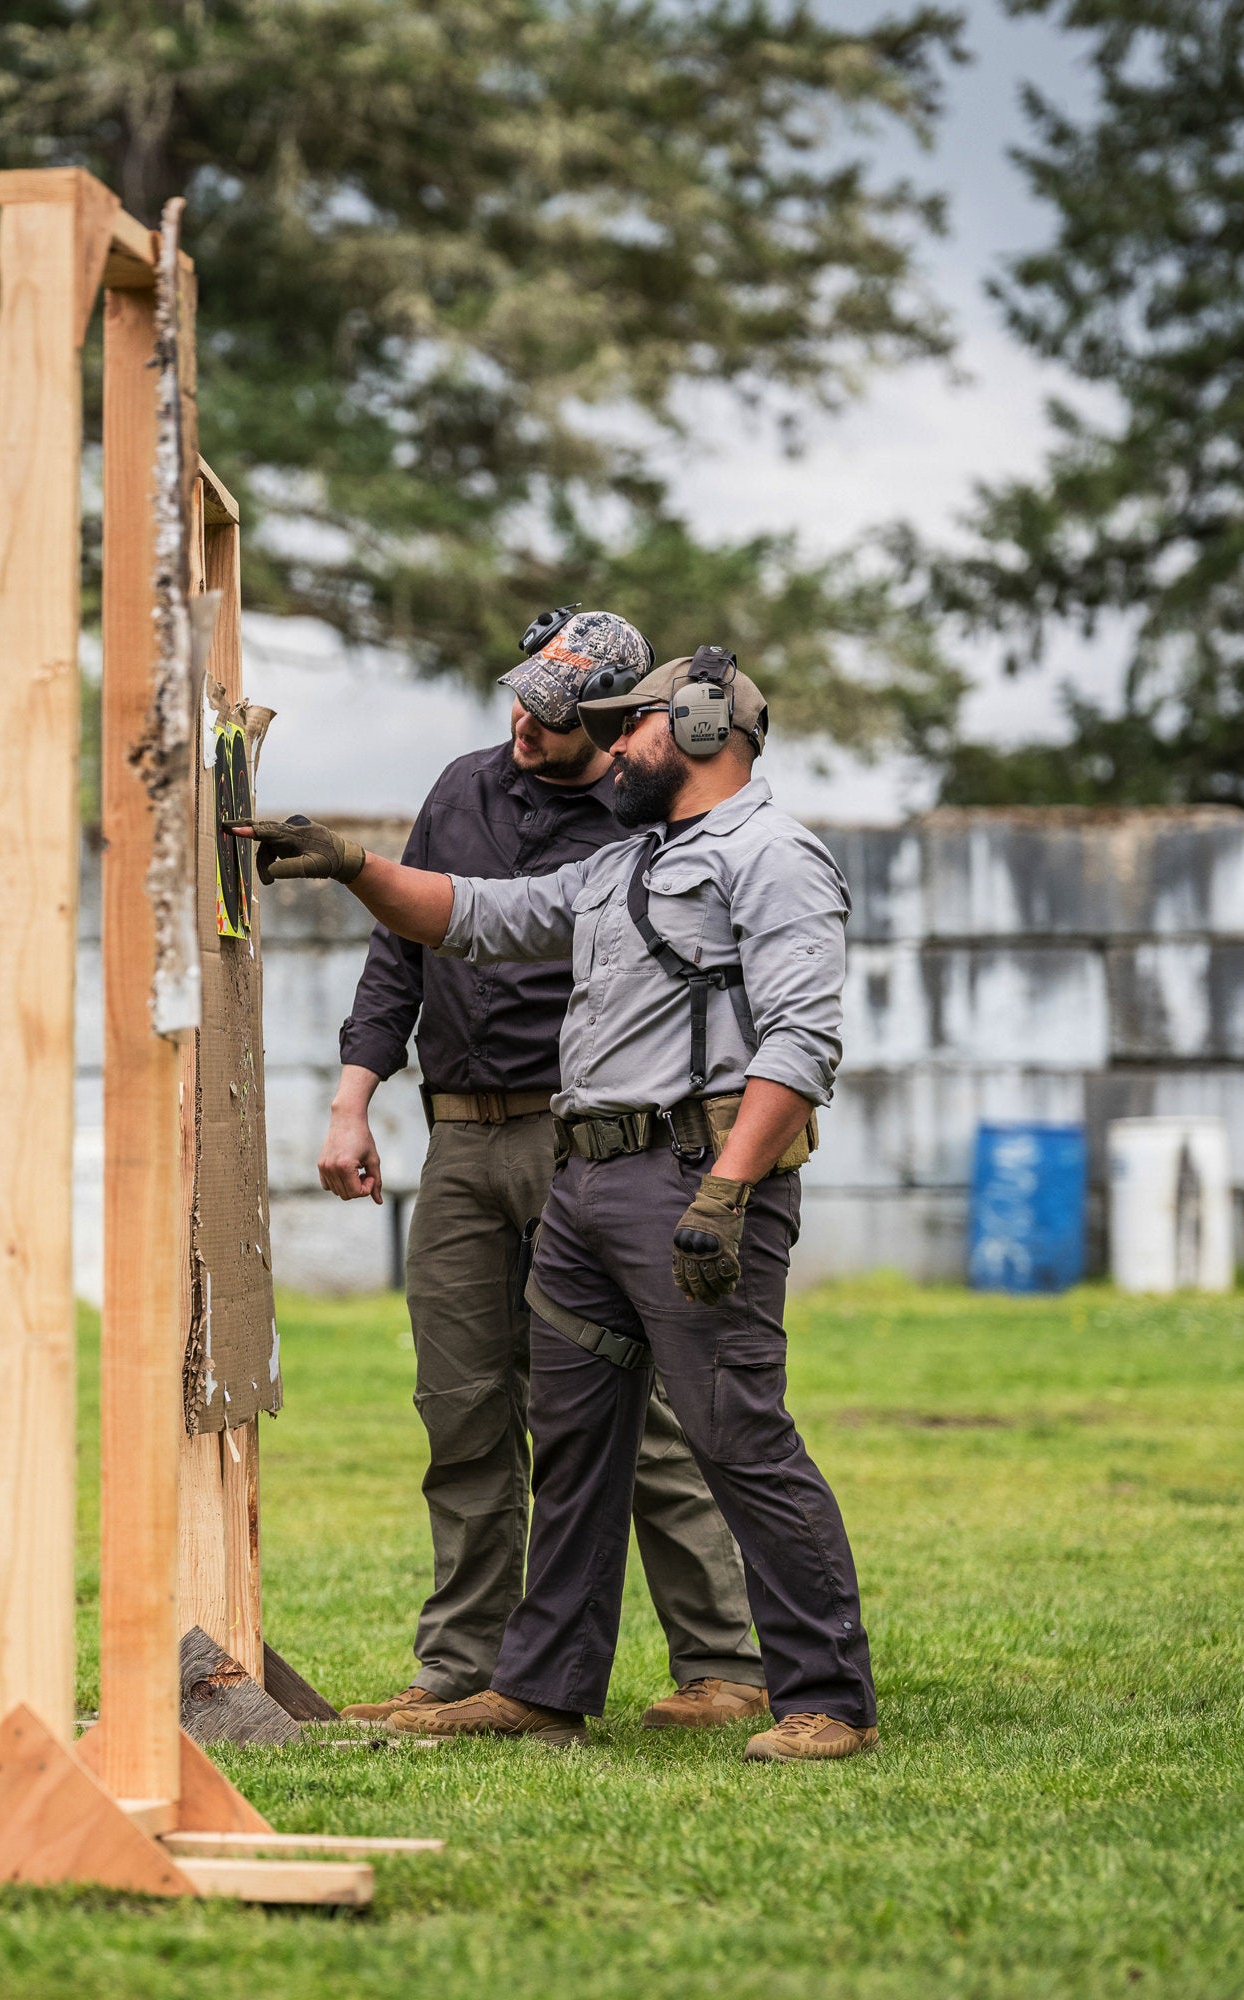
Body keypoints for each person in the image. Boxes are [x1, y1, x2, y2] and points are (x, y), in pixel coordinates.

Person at [237, 645, 877, 1762]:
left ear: (693, 722)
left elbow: (802, 1039)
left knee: (735, 1432)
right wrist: (348, 863)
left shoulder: (772, 856)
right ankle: (543, 1685)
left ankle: (824, 1693)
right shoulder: (628, 861)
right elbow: (474, 913)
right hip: (589, 1181)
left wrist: (724, 1195)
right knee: (576, 1436)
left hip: (689, 1180)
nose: (611, 741)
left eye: (627, 723)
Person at [322, 609, 768, 1734]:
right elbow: (404, 949)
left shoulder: (642, 823)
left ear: (611, 724)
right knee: (461, 1403)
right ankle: (457, 1667)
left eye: (555, 717)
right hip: (459, 1139)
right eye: (520, 700)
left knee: (644, 1412)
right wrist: (352, 1097)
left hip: (586, 1141)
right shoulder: (461, 788)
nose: (525, 727)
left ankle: (724, 1664)